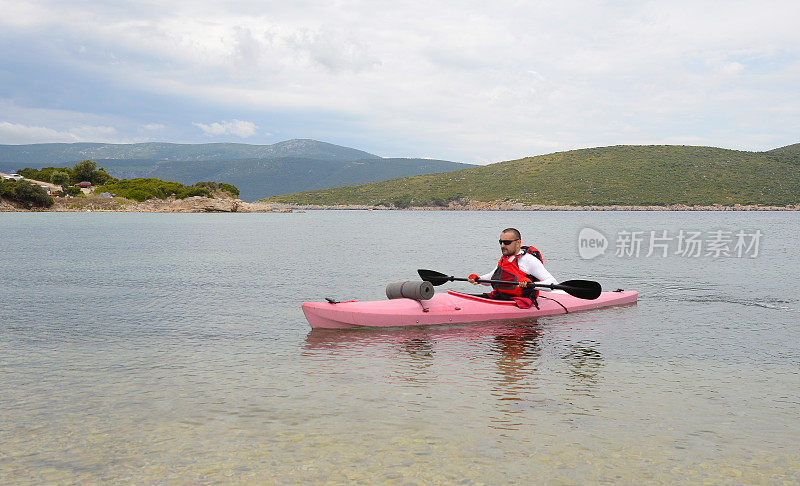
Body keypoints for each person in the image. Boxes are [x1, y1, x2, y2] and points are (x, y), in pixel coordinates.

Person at [468, 227, 558, 301]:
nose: (502, 245)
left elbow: (553, 283)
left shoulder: (529, 260)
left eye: (507, 242)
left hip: (520, 301)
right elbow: (491, 278)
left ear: (518, 243)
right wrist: (479, 279)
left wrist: (531, 285)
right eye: (501, 242)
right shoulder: (505, 259)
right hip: (501, 297)